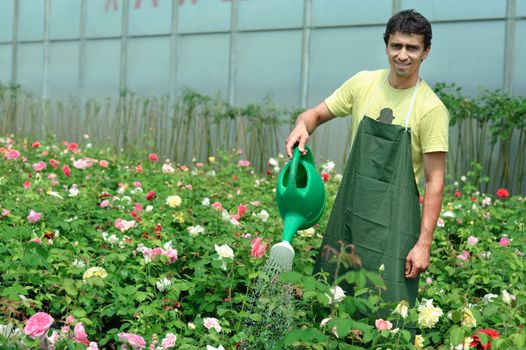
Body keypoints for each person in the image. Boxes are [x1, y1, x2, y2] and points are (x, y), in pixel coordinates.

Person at [285, 9, 449, 306]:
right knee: (332, 299)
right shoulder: (364, 84)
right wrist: (301, 126)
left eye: (412, 48)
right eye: (396, 45)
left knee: (387, 308)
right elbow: (315, 115)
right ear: (386, 45)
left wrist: (423, 244)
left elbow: (435, 181)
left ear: (426, 52)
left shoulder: (431, 108)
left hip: (395, 225)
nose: (403, 55)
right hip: (351, 215)